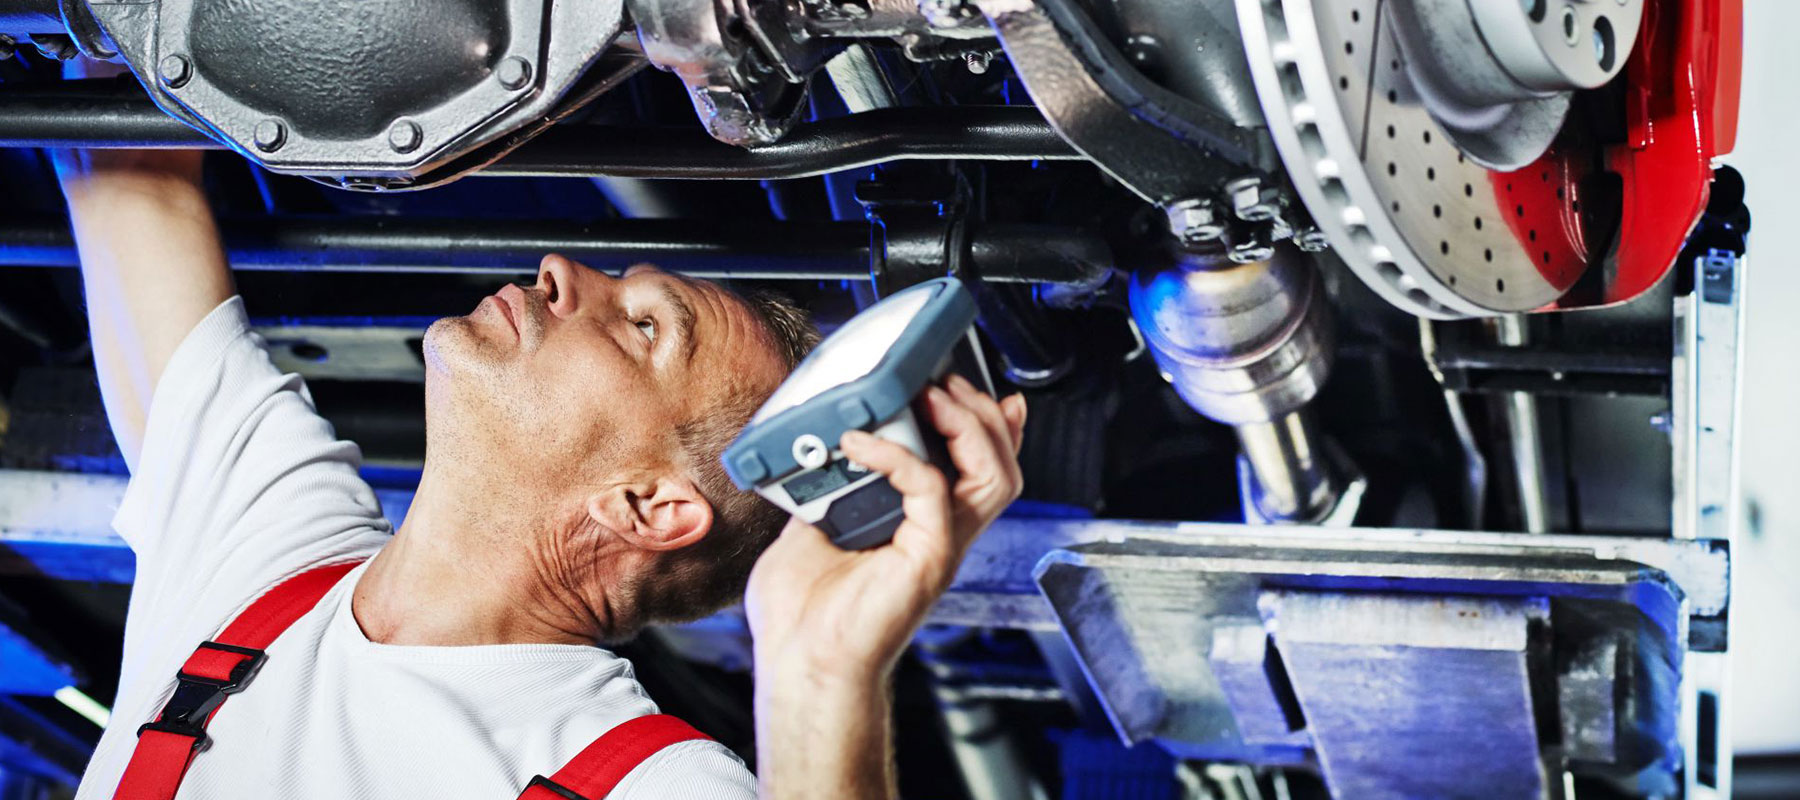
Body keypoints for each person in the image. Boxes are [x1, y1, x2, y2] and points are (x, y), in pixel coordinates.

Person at [55, 146, 1027, 799]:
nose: (561, 267)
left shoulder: (642, 780)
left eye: (643, 327)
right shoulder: (270, 546)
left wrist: (820, 672)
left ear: (648, 504)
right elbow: (127, 174)